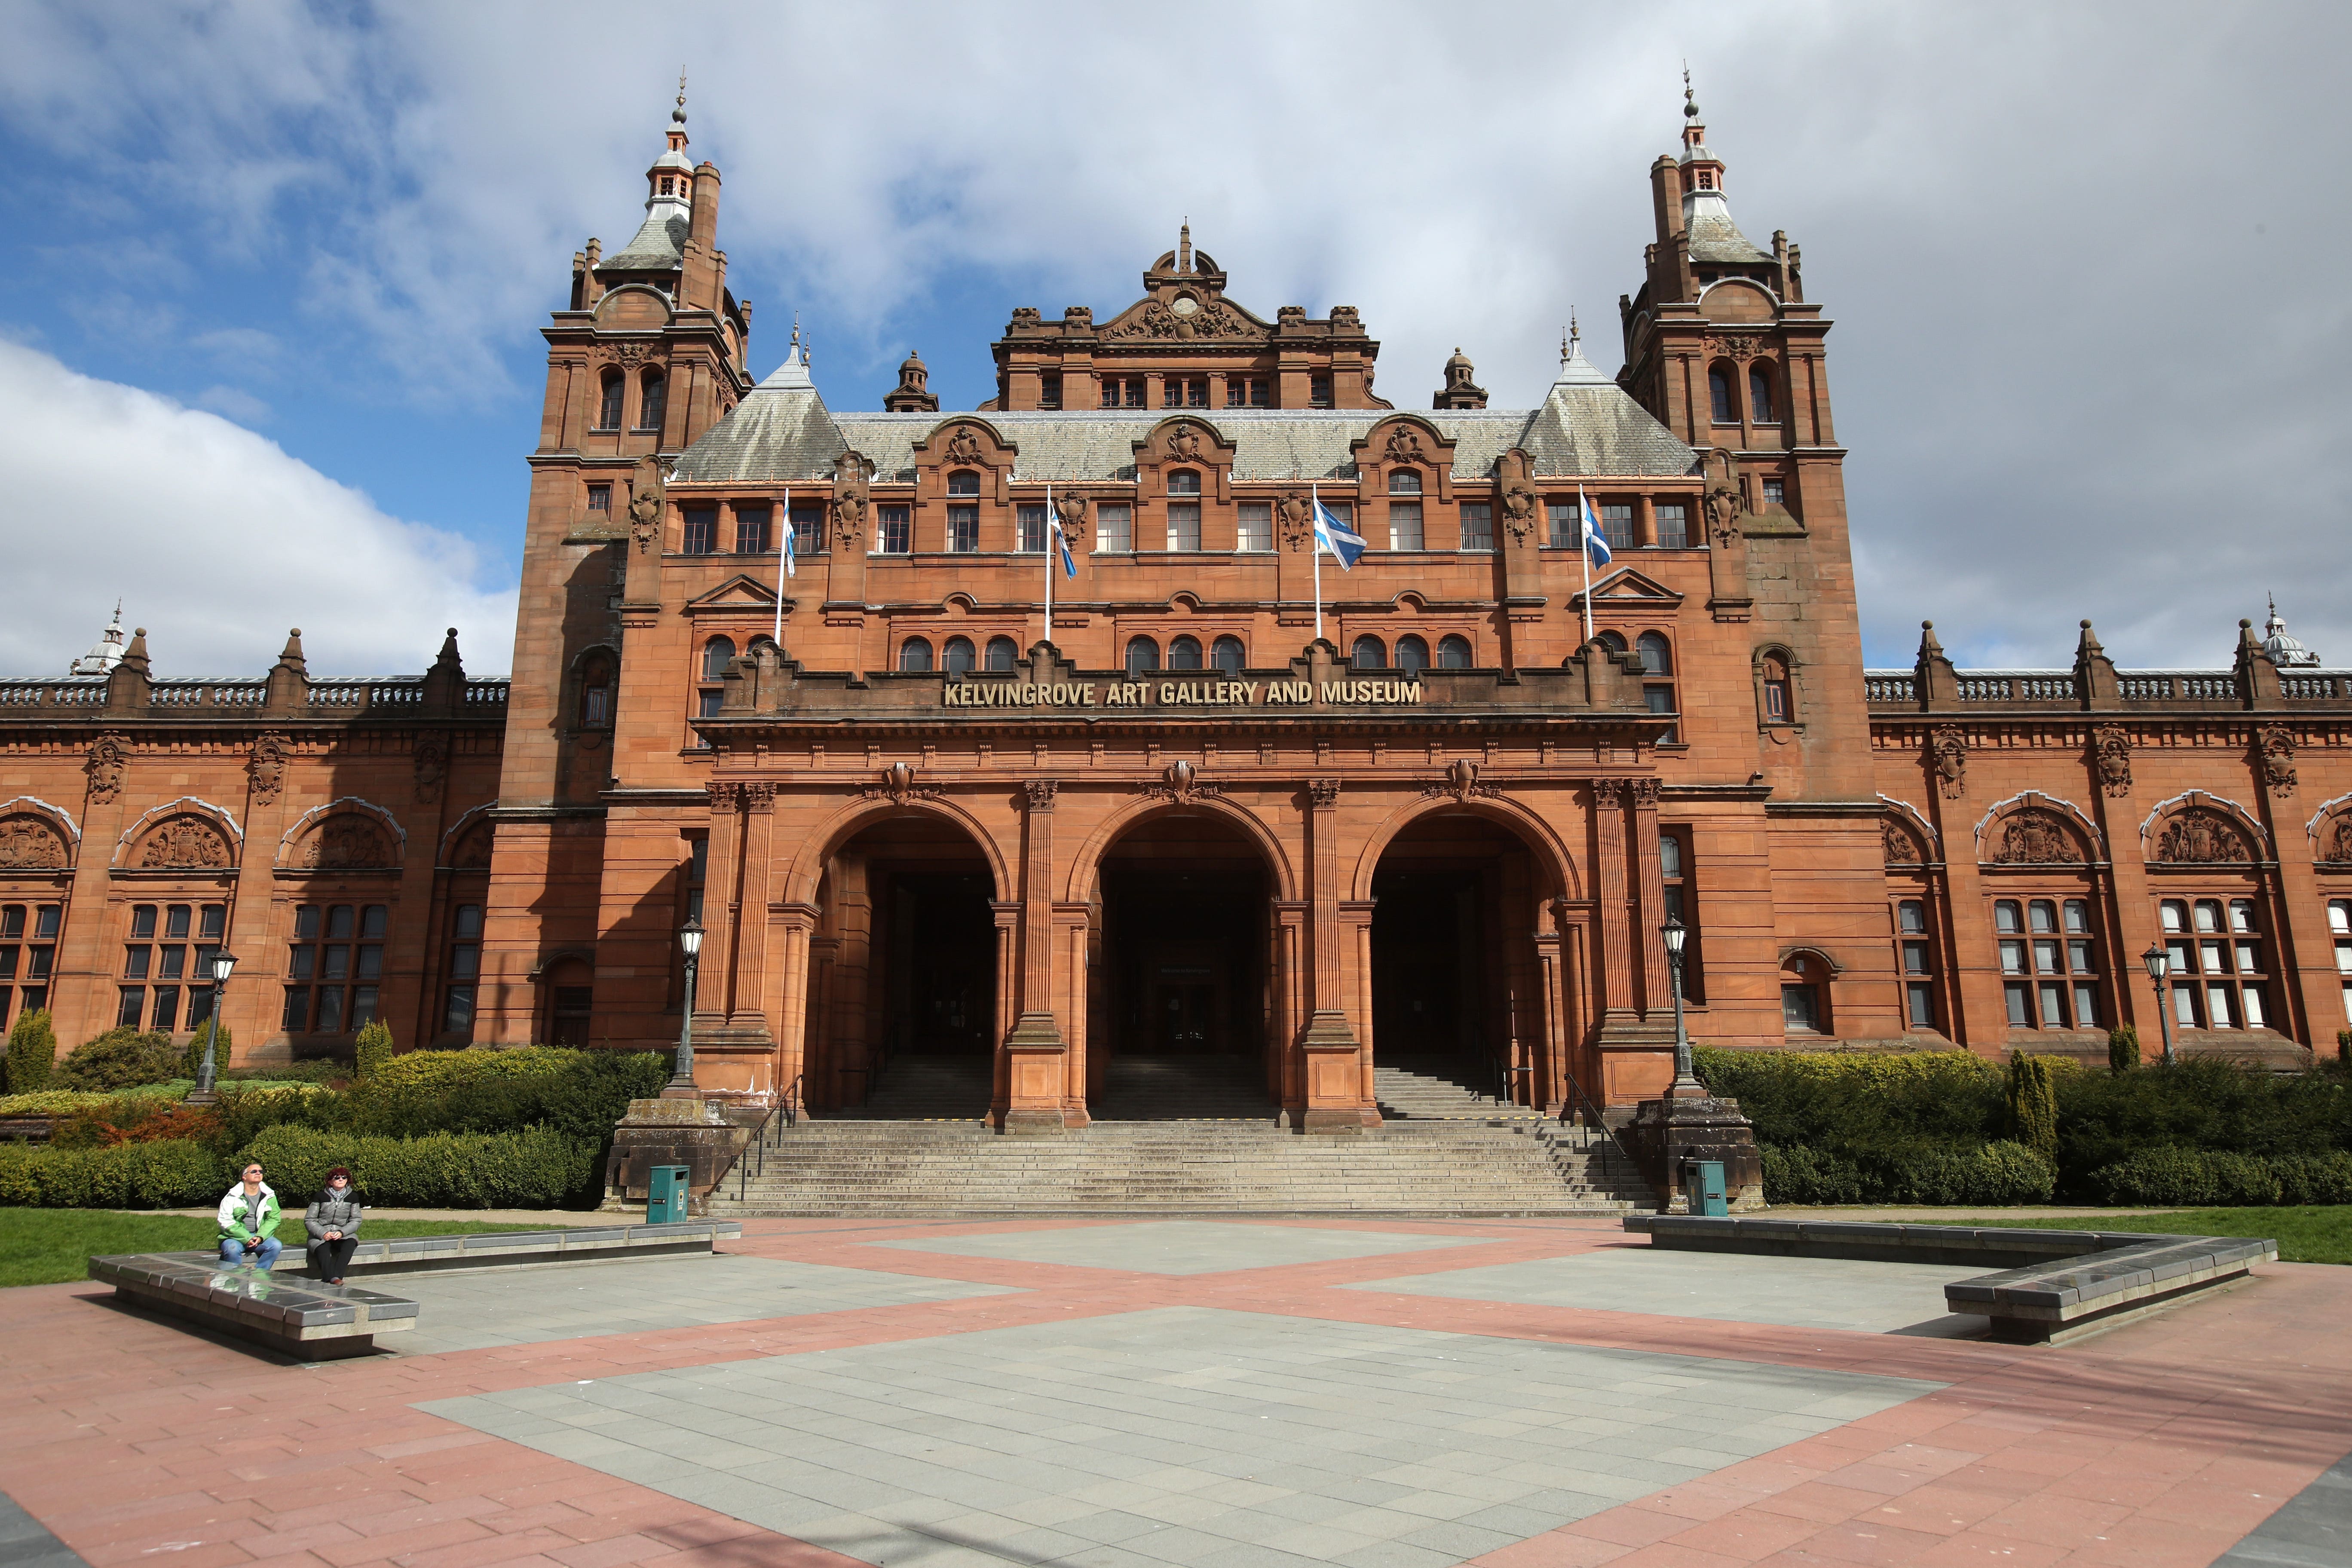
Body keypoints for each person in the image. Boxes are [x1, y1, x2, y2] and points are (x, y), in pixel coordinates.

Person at [215, 1161, 281, 1270]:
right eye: (254, 1171)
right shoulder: (232, 1197)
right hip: (234, 1238)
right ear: (244, 1177)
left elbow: (274, 1219)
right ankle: (236, 1281)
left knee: (276, 1246)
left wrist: (260, 1237)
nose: (258, 1173)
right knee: (232, 1249)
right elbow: (225, 1222)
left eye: (261, 1171)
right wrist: (247, 1238)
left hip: (259, 1236)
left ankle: (258, 1277)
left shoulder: (269, 1196)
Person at [303, 1167, 364, 1284]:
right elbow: (310, 1219)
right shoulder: (320, 1196)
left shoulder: (353, 1197)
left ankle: (334, 1278)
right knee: (323, 1250)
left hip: (342, 1234)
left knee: (350, 1244)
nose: (341, 1179)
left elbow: (356, 1220)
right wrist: (323, 1233)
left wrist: (342, 1232)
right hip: (321, 1234)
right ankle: (334, 1279)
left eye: (344, 1177)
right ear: (330, 1182)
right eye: (337, 1178)